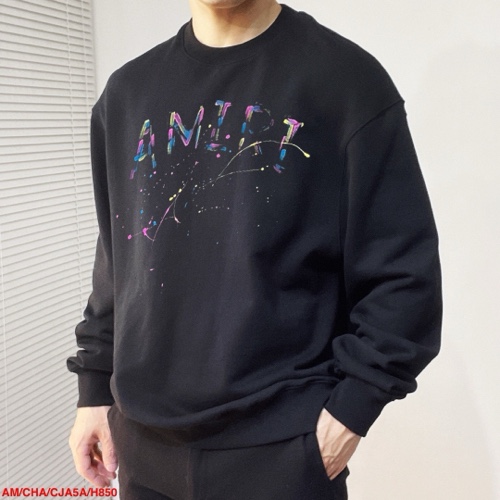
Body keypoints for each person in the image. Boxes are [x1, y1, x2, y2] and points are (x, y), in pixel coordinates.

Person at [67, 1, 442, 498]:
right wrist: (94, 389)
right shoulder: (126, 94)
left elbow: (405, 275)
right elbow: (120, 258)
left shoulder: (346, 82)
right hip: (143, 450)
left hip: (281, 454)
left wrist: (350, 413)